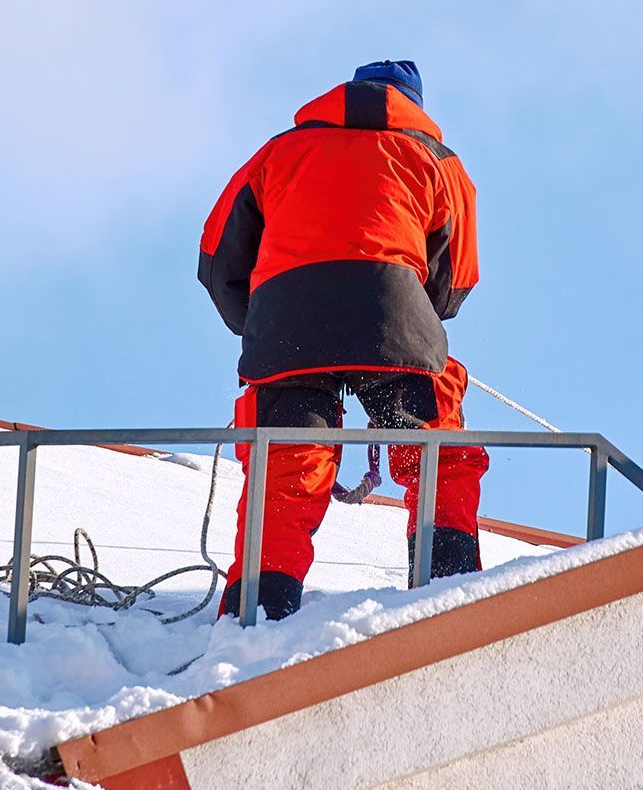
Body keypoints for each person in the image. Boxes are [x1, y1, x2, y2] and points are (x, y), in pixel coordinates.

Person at [199, 60, 487, 621]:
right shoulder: (437, 160)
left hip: (286, 324)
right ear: (414, 105)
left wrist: (259, 321)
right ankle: (447, 595)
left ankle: (257, 615)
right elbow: (457, 276)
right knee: (435, 454)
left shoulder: (277, 152)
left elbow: (217, 257)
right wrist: (414, 319)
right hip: (396, 318)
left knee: (285, 468)